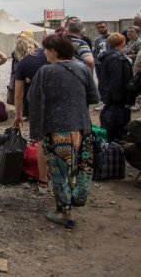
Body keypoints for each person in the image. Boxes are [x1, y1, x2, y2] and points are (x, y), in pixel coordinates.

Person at [27, 34, 99, 229]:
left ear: (55, 51)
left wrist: (35, 131)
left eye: (47, 50)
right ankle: (77, 197)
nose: (45, 54)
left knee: (59, 170)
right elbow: (94, 97)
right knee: (80, 166)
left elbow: (33, 100)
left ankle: (65, 212)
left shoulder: (45, 71)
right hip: (81, 126)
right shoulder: (83, 69)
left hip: (55, 127)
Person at [12, 35, 50, 193]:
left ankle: (43, 180)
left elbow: (18, 94)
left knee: (41, 141)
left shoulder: (23, 63)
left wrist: (18, 115)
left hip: (37, 104)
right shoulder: (48, 54)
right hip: (60, 100)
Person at [99, 32, 136, 141]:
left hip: (111, 96)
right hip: (117, 99)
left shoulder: (109, 56)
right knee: (117, 125)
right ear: (122, 42)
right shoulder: (117, 58)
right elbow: (117, 80)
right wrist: (119, 99)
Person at [92, 21, 110, 111]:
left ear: (107, 26)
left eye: (103, 26)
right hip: (99, 64)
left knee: (108, 83)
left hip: (109, 64)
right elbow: (95, 51)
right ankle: (103, 101)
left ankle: (108, 101)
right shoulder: (98, 39)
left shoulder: (112, 37)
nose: (101, 28)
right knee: (101, 83)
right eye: (99, 27)